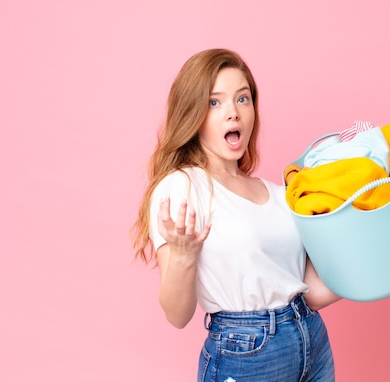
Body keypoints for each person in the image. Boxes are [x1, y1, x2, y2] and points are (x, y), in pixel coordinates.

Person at [132, 48, 341, 381]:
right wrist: (185, 257)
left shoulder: (277, 194)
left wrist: (372, 254)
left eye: (243, 99)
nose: (233, 113)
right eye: (215, 103)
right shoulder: (183, 187)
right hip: (246, 354)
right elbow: (176, 314)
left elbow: (309, 291)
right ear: (193, 114)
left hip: (311, 340)